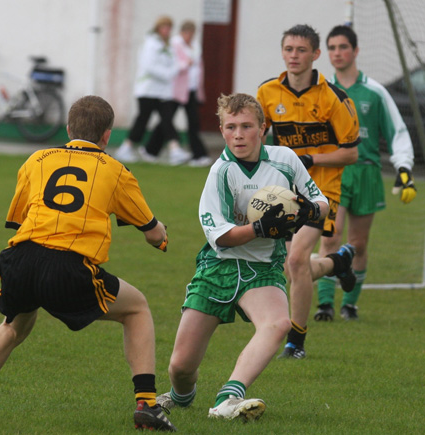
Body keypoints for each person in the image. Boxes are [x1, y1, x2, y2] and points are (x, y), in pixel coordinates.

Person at [0, 96, 176, 432]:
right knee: (137, 308)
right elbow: (154, 234)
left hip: (20, 258)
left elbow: (18, 219)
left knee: (13, 327)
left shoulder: (37, 159)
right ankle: (147, 404)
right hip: (67, 266)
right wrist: (163, 237)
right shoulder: (116, 171)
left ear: (69, 129)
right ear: (107, 135)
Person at [155, 93, 354, 421]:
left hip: (263, 267)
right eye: (231, 127)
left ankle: (228, 399)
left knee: (277, 323)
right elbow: (222, 236)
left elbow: (321, 204)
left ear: (262, 128)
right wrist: (261, 228)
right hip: (218, 266)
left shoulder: (284, 159)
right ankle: (180, 395)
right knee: (180, 366)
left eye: (247, 126)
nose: (238, 134)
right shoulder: (220, 173)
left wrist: (305, 210)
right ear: (221, 130)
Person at [256, 24, 360, 359]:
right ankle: (337, 262)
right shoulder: (268, 93)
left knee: (297, 259)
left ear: (315, 55)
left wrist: (310, 157)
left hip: (322, 192)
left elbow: (351, 152)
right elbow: (257, 136)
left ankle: (295, 342)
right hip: (286, 191)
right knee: (293, 266)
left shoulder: (334, 98)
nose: (294, 56)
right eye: (288, 49)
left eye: (301, 50)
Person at [314, 25, 417, 321]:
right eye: (332, 48)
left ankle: (350, 304)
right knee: (330, 238)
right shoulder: (322, 90)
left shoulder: (375, 91)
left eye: (343, 47)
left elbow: (397, 132)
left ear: (356, 51)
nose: (337, 53)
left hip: (368, 173)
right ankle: (324, 305)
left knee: (358, 245)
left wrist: (403, 168)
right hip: (334, 172)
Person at [115, 16, 190, 166]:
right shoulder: (151, 44)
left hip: (162, 92)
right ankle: (126, 147)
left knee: (167, 119)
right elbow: (149, 66)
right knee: (143, 119)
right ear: (158, 28)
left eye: (169, 27)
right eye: (164, 27)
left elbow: (172, 64)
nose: (167, 30)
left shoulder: (167, 46)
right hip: (148, 90)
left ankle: (174, 149)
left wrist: (176, 68)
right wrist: (169, 74)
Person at [141, 20, 212, 167]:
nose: (189, 37)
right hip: (176, 90)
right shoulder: (175, 43)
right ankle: (150, 150)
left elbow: (198, 67)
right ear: (182, 32)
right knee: (166, 121)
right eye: (187, 33)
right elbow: (175, 64)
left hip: (191, 90)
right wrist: (186, 64)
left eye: (192, 34)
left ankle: (198, 155)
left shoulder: (195, 45)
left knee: (192, 122)